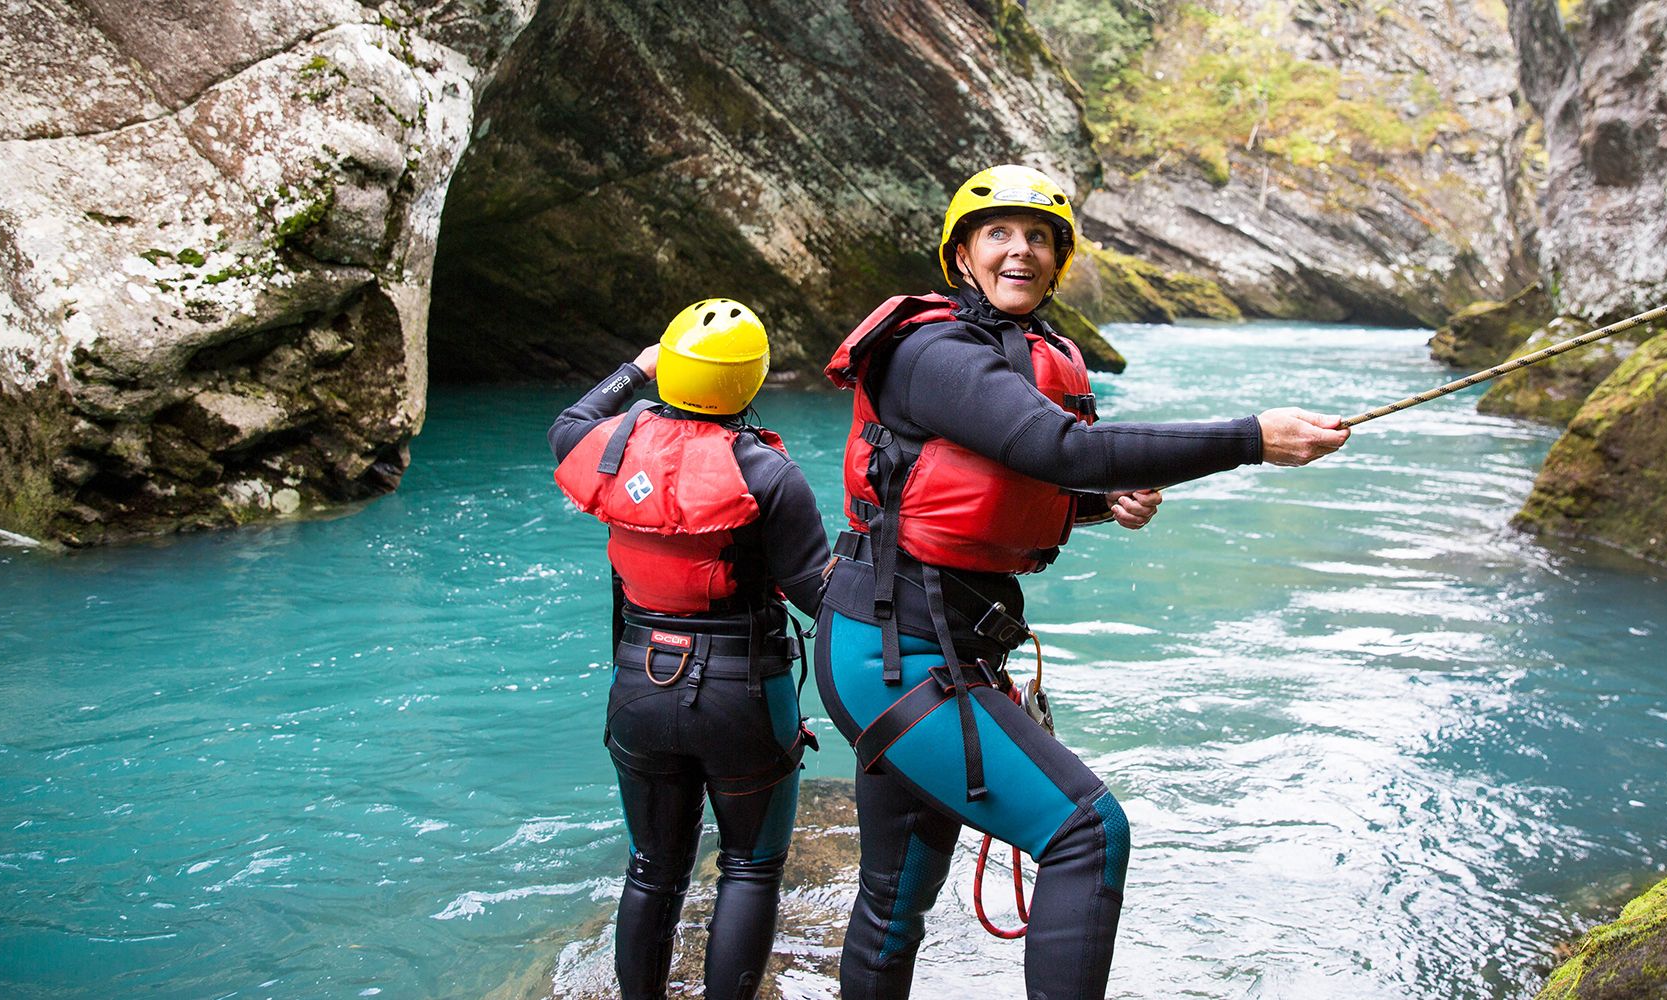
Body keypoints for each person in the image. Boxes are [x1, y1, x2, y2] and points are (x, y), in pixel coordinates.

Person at [815, 164, 1350, 1000]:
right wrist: (1251, 437)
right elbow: (1054, 450)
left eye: (1040, 238)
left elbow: (1017, 480)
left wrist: (1098, 505)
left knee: (894, 900)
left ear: (1060, 262)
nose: (1020, 250)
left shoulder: (1030, 355)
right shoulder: (931, 349)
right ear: (961, 254)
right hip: (892, 648)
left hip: (933, 640)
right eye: (998, 234)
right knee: (1086, 832)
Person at [550, 299, 830, 1000]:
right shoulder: (768, 473)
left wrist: (634, 371)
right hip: (742, 692)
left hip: (639, 683)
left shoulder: (610, 445)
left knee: (652, 866)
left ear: (670, 366)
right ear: (751, 379)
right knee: (751, 866)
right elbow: (816, 595)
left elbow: (568, 424)